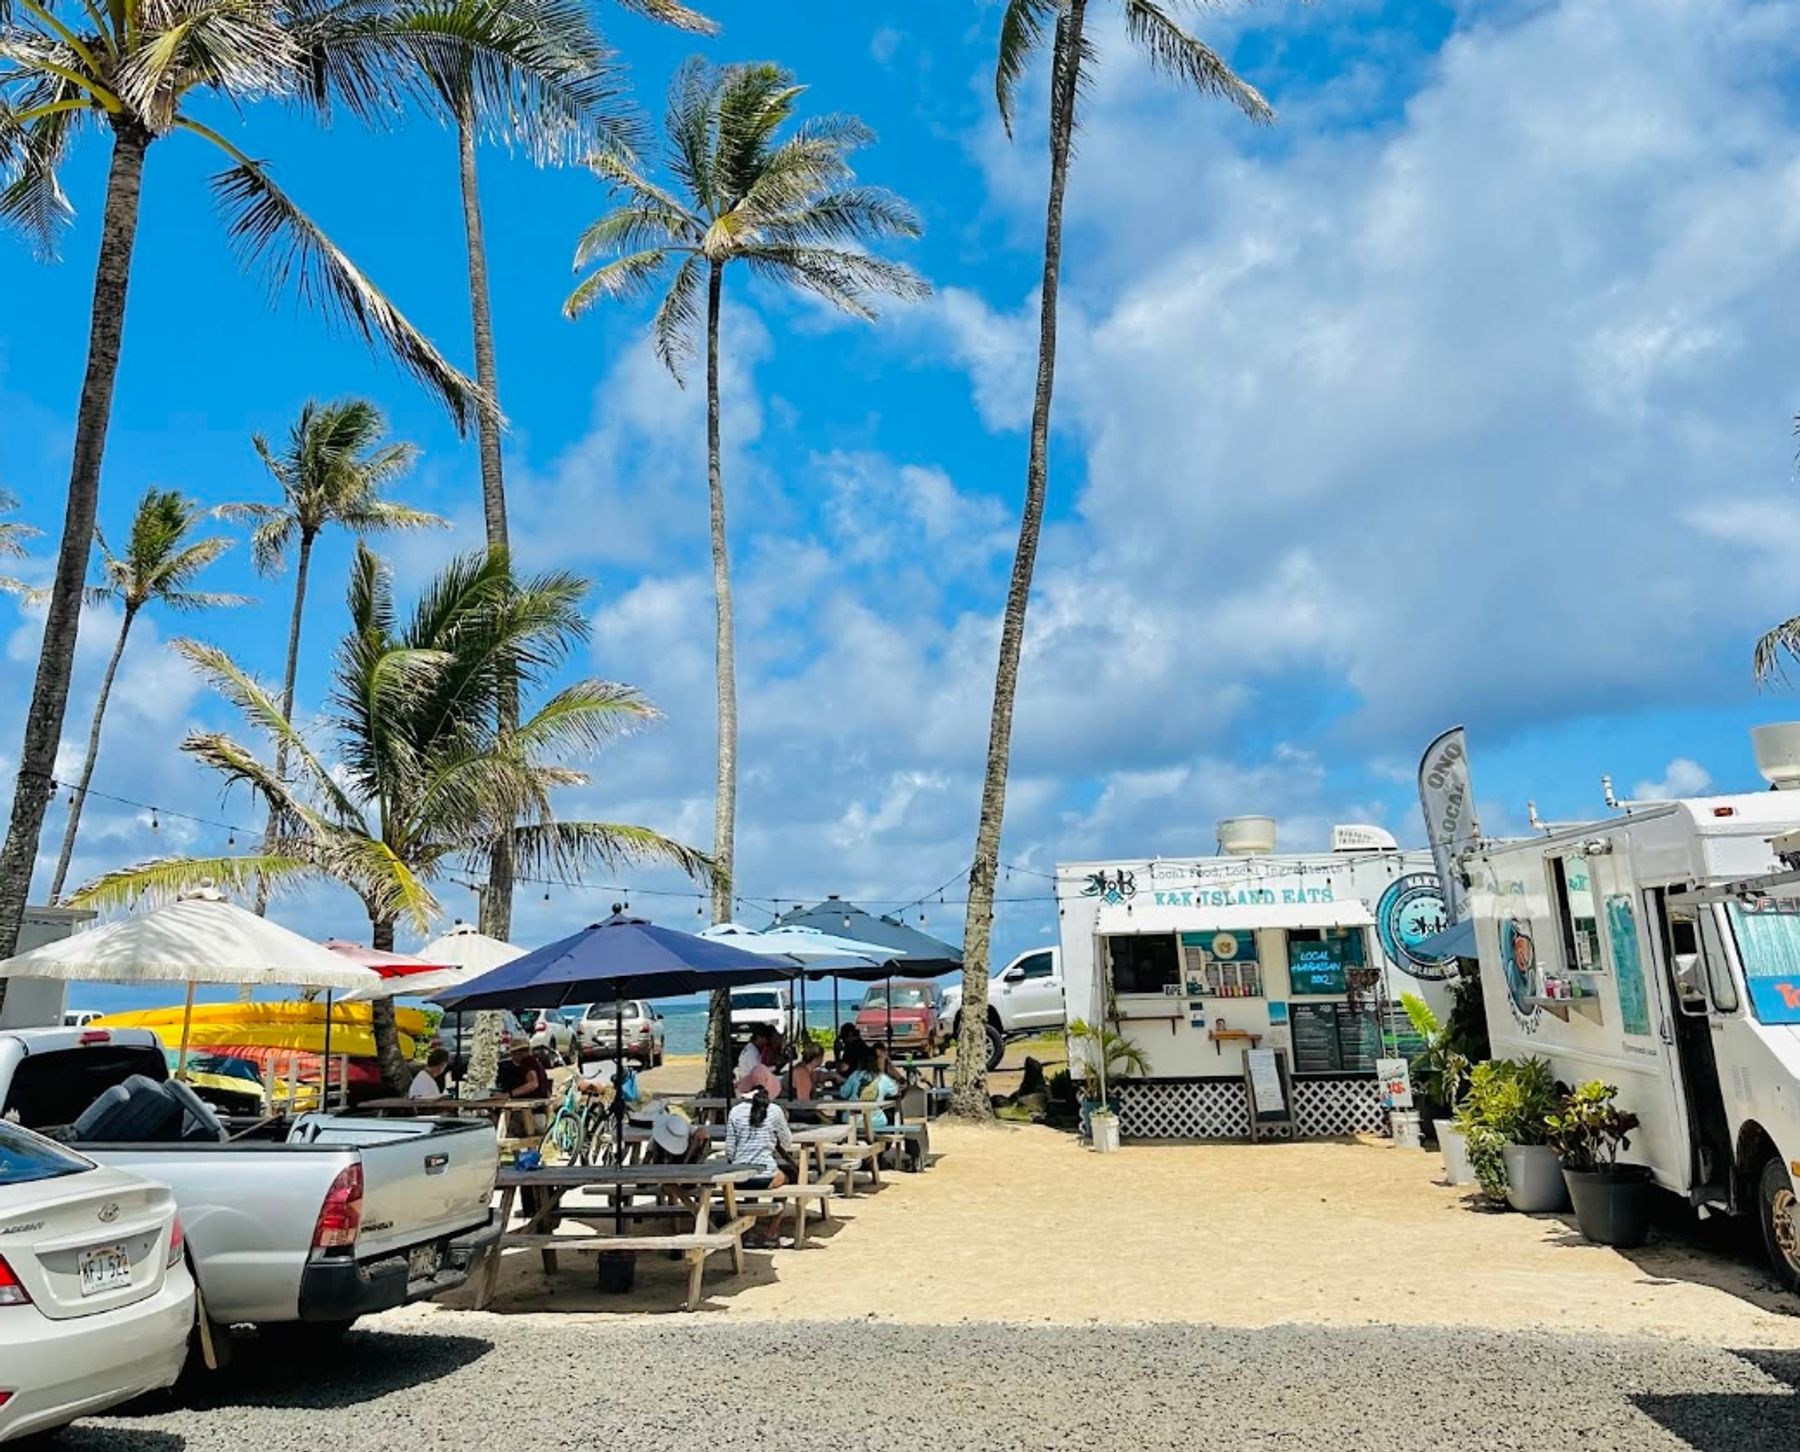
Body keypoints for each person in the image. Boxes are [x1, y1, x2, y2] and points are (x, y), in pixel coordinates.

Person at [724, 1087, 795, 1246]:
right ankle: (772, 1231)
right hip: (766, 1174)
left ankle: (748, 1233)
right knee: (787, 1179)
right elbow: (788, 1142)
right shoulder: (775, 1110)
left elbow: (729, 1150)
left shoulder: (735, 1111)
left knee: (749, 1186)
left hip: (739, 1175)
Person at [734, 1024, 784, 1097]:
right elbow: (758, 1072)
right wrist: (775, 1067)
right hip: (749, 1089)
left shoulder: (751, 1049)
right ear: (758, 1037)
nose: (765, 1042)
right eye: (764, 1039)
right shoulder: (752, 1052)